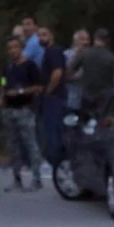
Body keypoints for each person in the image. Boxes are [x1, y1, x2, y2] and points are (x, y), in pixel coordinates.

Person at [1, 35, 44, 192]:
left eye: (15, 47)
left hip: (25, 109)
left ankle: (36, 178)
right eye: (10, 48)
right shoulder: (8, 66)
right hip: (9, 110)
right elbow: (3, 84)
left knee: (30, 144)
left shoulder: (30, 66)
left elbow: (39, 87)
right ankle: (16, 178)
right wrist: (2, 101)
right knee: (14, 145)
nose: (12, 51)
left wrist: (20, 92)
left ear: (21, 48)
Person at [66, 28, 114, 121]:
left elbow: (69, 71)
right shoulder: (111, 57)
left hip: (87, 96)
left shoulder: (84, 53)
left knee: (85, 124)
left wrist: (79, 78)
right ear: (107, 40)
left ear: (95, 38)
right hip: (105, 97)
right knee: (102, 123)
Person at [37, 26, 69, 166]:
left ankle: (56, 161)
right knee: (52, 129)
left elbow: (57, 73)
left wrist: (48, 91)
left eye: (44, 35)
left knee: (53, 130)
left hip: (54, 97)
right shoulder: (48, 52)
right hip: (54, 97)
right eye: (39, 35)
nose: (41, 38)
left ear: (51, 35)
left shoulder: (54, 51)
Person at [63, 29, 89, 112]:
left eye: (87, 39)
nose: (85, 42)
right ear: (75, 41)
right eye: (82, 39)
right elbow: (64, 75)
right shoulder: (66, 54)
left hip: (88, 98)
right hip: (71, 97)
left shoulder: (91, 55)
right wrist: (79, 54)